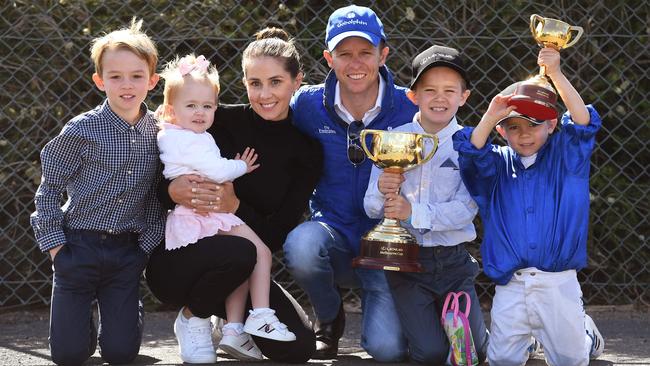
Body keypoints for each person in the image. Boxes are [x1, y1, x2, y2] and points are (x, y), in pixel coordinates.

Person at [145, 27, 322, 364]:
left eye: (276, 82)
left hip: (245, 259)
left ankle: (231, 322)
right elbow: (165, 168)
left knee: (298, 348)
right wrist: (170, 191)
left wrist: (235, 205)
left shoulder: (306, 151)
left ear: (296, 81)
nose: (265, 94)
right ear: (243, 82)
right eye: (255, 83)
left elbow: (273, 235)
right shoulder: (213, 117)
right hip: (184, 258)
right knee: (240, 252)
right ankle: (193, 317)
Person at [452, 47, 605, 366]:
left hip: (558, 282)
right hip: (512, 284)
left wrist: (557, 76)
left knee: (570, 360)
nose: (523, 135)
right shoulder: (495, 164)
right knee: (503, 360)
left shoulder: (567, 158)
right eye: (514, 127)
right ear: (502, 131)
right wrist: (491, 115)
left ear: (551, 125)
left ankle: (585, 333)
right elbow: (471, 153)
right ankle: (528, 340)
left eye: (534, 125)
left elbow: (583, 122)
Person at [282, 4, 418, 361]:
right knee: (302, 246)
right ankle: (329, 318)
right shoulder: (307, 105)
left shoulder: (410, 106)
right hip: (334, 230)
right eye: (345, 54)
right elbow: (265, 127)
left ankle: (390, 302)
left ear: (383, 54)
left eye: (365, 53)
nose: (355, 64)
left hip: (387, 241)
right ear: (329, 58)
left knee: (387, 351)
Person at [29, 19, 163, 365]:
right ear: (100, 80)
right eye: (115, 76)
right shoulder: (81, 130)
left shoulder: (161, 133)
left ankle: (123, 316)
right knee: (69, 356)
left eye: (136, 75)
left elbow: (156, 196)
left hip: (127, 252)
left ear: (152, 80)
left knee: (121, 354)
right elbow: (49, 190)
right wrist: (57, 249)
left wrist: (144, 249)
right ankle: (76, 320)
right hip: (77, 246)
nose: (126, 85)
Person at [364, 45, 489, 365]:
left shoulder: (470, 144)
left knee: (474, 351)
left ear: (464, 97)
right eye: (429, 89)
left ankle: (484, 334)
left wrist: (413, 212)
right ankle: (428, 326)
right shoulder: (392, 140)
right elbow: (370, 207)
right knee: (430, 354)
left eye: (450, 90)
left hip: (453, 265)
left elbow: (467, 209)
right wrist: (382, 188)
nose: (439, 98)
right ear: (413, 96)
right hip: (407, 267)